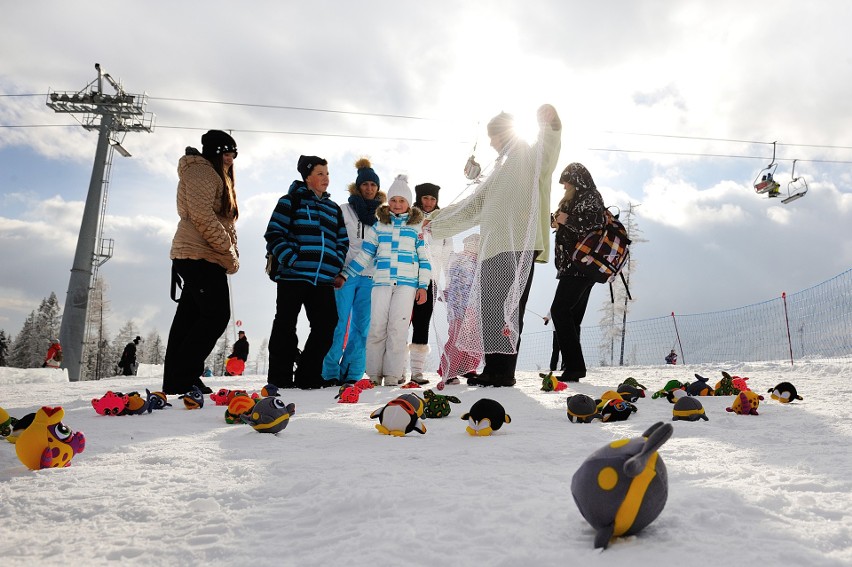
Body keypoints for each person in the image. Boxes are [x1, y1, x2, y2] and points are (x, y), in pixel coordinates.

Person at [425, 104, 562, 387]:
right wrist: (436, 222)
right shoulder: (498, 169)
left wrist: (550, 126)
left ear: (504, 133)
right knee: (488, 308)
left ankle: (504, 371)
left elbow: (547, 153)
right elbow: (472, 205)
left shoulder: (528, 156)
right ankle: (491, 369)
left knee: (508, 309)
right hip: (491, 246)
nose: (490, 142)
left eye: (493, 136)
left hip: (518, 244)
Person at [162, 130, 239, 395]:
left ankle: (177, 379)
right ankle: (183, 376)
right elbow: (202, 216)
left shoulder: (215, 176)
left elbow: (226, 221)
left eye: (234, 154)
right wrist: (227, 251)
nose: (231, 159)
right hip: (197, 254)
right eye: (227, 153)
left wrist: (230, 251)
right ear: (216, 153)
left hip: (204, 254)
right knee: (217, 315)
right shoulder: (202, 172)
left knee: (189, 318)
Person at [266, 155, 348, 390]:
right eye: (320, 173)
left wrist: (335, 264)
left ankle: (308, 375)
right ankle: (279, 378)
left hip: (323, 278)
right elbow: (274, 234)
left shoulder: (333, 208)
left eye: (327, 173)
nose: (325, 178)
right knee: (285, 325)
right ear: (308, 177)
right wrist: (291, 259)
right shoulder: (289, 201)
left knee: (327, 324)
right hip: (293, 275)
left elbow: (342, 241)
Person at [339, 174, 431, 387]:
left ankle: (392, 373)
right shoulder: (379, 227)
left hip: (407, 285)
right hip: (381, 283)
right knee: (377, 326)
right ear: (387, 202)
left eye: (401, 201)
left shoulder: (416, 229)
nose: (397, 205)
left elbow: (424, 260)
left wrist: (423, 286)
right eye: (393, 200)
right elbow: (365, 255)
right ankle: (373, 373)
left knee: (397, 329)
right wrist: (346, 274)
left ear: (408, 203)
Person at [321, 158, 385, 386]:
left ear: (378, 189)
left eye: (373, 185)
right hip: (344, 275)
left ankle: (351, 373)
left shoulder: (382, 216)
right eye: (365, 184)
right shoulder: (343, 210)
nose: (369, 188)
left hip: (370, 276)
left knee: (362, 327)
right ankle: (329, 372)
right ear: (358, 187)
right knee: (338, 323)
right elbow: (332, 239)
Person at [550, 162, 607, 382]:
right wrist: (557, 222)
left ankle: (575, 366)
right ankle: (572, 366)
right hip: (573, 266)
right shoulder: (577, 198)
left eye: (566, 182)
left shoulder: (591, 196)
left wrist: (567, 220)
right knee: (571, 317)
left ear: (576, 181)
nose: (564, 187)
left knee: (559, 311)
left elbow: (594, 225)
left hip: (580, 266)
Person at [408, 182, 452, 385]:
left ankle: (417, 371)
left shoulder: (442, 222)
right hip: (406, 277)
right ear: (419, 198)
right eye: (425, 198)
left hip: (430, 281)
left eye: (433, 199)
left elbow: (447, 255)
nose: (429, 202)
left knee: (422, 323)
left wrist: (448, 282)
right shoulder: (408, 217)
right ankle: (395, 369)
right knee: (399, 323)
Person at [438, 233, 481, 384]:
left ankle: (466, 368)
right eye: (470, 243)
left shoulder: (478, 261)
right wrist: (448, 293)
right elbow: (452, 280)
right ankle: (448, 370)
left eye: (476, 243)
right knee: (457, 337)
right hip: (459, 307)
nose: (472, 246)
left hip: (472, 307)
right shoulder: (459, 259)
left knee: (471, 337)